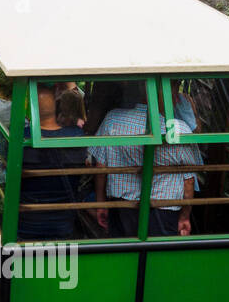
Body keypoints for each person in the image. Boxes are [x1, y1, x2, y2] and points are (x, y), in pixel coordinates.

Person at [90, 81, 201, 237]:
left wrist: (101, 204)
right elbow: (188, 181)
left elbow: (101, 167)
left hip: (121, 208)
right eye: (173, 94)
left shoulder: (113, 119)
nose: (176, 99)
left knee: (123, 253)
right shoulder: (180, 130)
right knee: (159, 257)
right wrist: (184, 216)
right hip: (165, 212)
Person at [18, 88, 84, 241]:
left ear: (31, 109)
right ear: (57, 108)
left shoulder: (22, 136)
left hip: (27, 221)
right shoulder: (76, 135)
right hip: (63, 222)